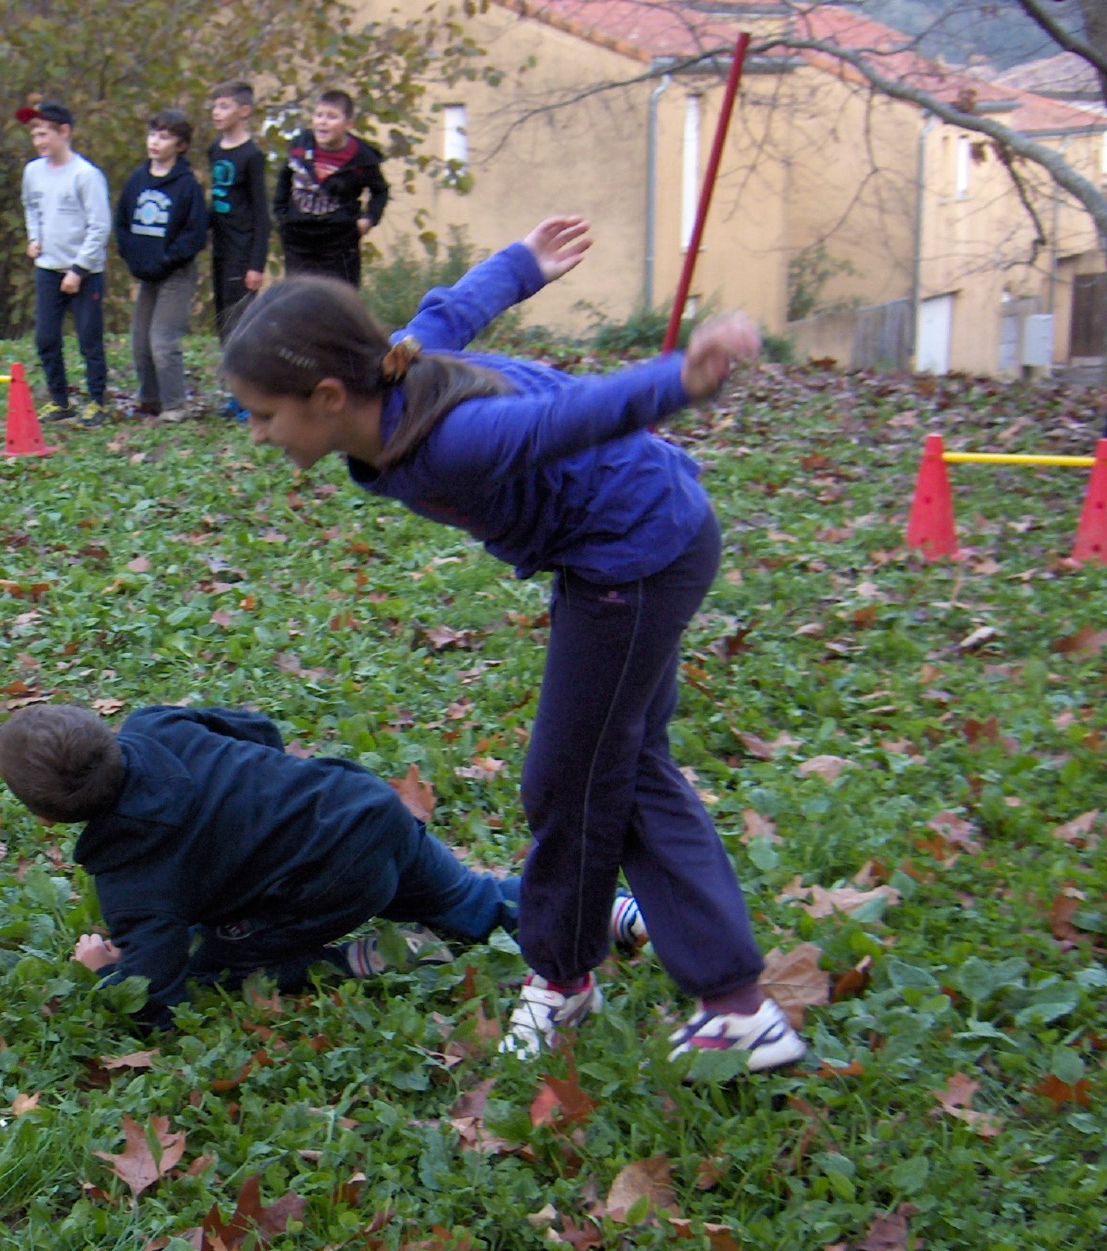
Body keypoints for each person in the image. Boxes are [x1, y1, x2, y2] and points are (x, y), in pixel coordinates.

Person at [219, 217, 806, 1074]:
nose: (258, 434)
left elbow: (568, 419)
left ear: (328, 399)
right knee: (622, 762)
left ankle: (647, 992)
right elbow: (455, 307)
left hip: (633, 557)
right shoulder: (398, 363)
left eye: (264, 415)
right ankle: (654, 989)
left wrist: (678, 379)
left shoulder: (453, 439)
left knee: (575, 776)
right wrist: (523, 263)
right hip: (643, 539)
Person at [0, 702, 647, 1029]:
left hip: (332, 880)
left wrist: (109, 974)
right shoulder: (158, 725)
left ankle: (347, 960)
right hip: (362, 804)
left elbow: (160, 997)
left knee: (215, 961)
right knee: (470, 901)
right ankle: (619, 912)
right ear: (107, 732)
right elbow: (258, 731)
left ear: (49, 820)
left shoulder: (132, 887)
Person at [18, 100, 112, 426]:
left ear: (64, 132)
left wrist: (79, 270)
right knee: (46, 338)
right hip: (48, 268)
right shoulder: (33, 171)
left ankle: (97, 402)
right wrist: (34, 237)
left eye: (44, 134)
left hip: (84, 274)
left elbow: (100, 226)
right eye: (34, 136)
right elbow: (31, 207)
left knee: (89, 339)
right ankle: (60, 401)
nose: (39, 142)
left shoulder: (86, 176)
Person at [113, 109, 208, 423]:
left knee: (162, 341)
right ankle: (150, 400)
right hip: (146, 273)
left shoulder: (186, 185)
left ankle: (175, 404)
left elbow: (194, 235)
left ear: (180, 145)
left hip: (175, 274)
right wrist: (132, 256)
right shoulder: (138, 179)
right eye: (153, 134)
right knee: (140, 341)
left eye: (164, 137)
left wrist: (167, 260)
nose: (155, 142)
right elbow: (123, 221)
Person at [272, 89, 388, 287]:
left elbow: (380, 191)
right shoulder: (300, 145)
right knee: (298, 299)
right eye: (319, 115)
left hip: (338, 242)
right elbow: (285, 178)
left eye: (332, 117)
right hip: (298, 237)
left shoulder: (362, 158)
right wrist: (282, 214)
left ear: (348, 124)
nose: (323, 122)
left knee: (339, 300)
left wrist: (369, 219)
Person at [205, 82, 270, 421]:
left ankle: (253, 399)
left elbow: (262, 214)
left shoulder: (252, 157)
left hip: (242, 254)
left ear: (243, 111)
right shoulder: (215, 151)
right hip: (221, 250)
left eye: (225, 106)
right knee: (224, 327)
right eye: (215, 106)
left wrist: (256, 263)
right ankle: (235, 394)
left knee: (242, 327)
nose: (217, 113)